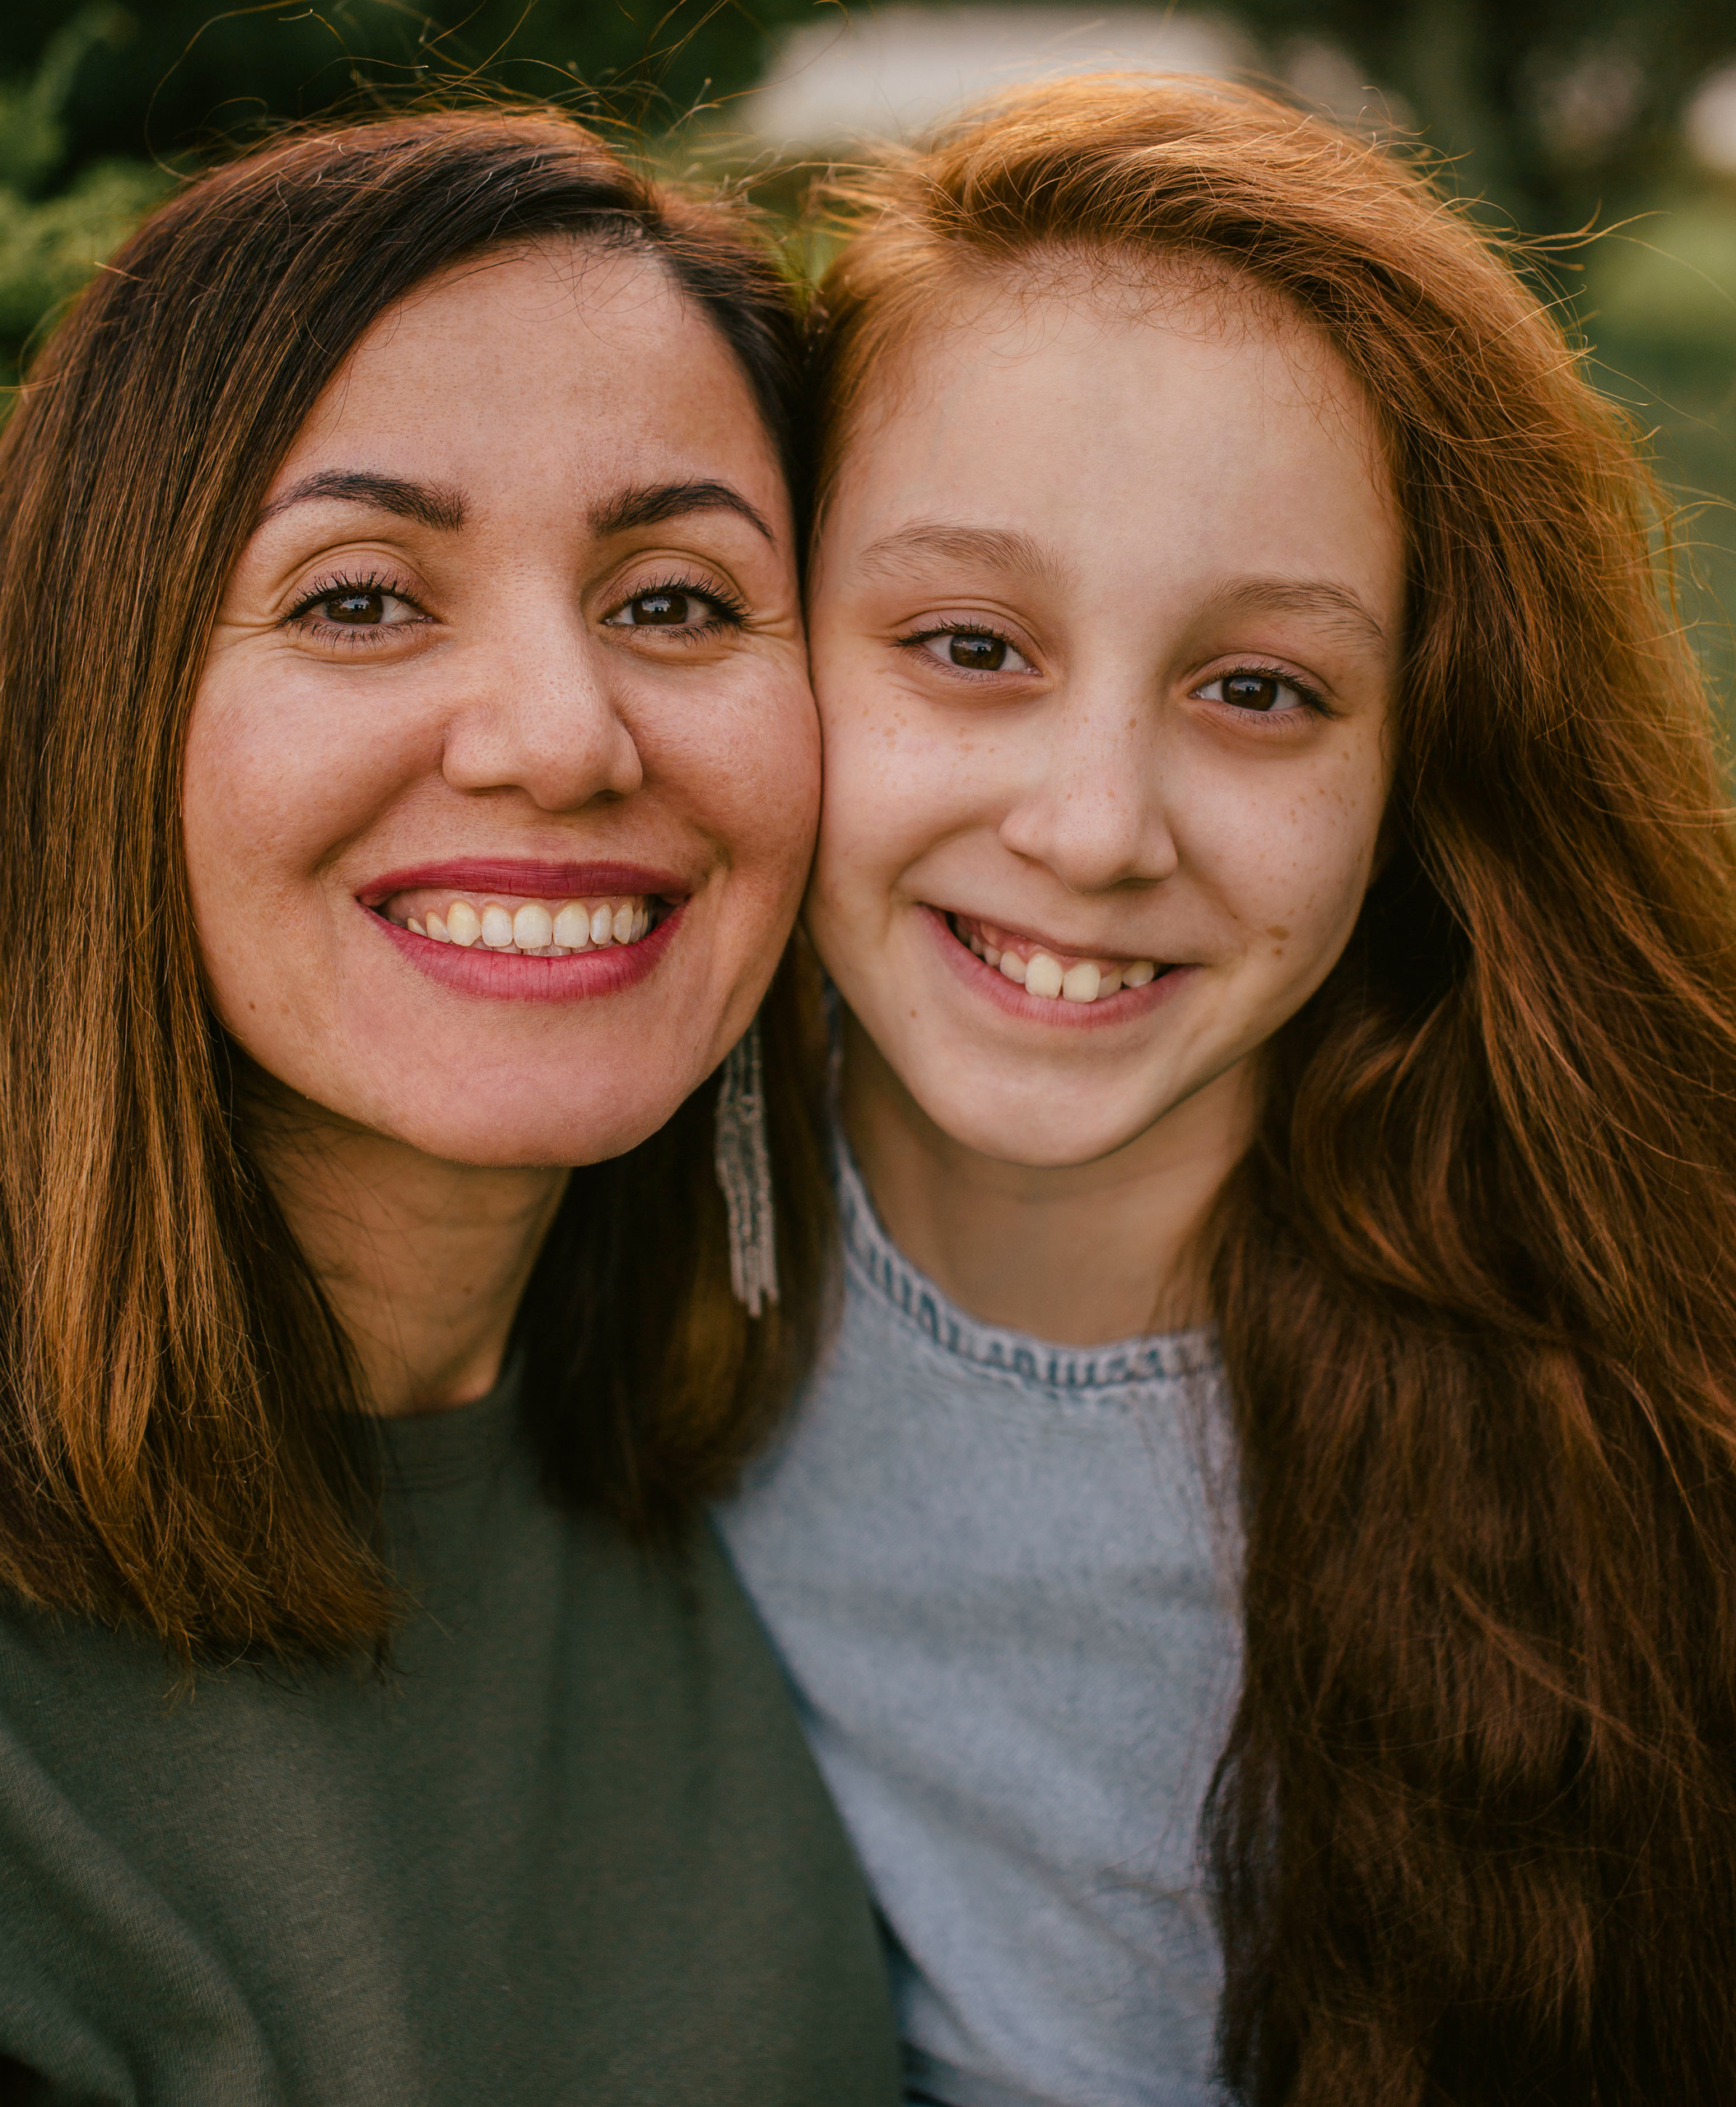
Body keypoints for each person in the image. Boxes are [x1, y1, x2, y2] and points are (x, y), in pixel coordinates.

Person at [719, 73, 1736, 2107]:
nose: (1093, 827)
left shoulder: (1652, 1382)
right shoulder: (609, 1188)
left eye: (1256, 688)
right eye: (967, 642)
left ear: (1418, 761)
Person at [0, 107, 900, 2105]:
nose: (561, 737)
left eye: (673, 598)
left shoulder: (795, 1460)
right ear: (99, 710)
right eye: (357, 598)